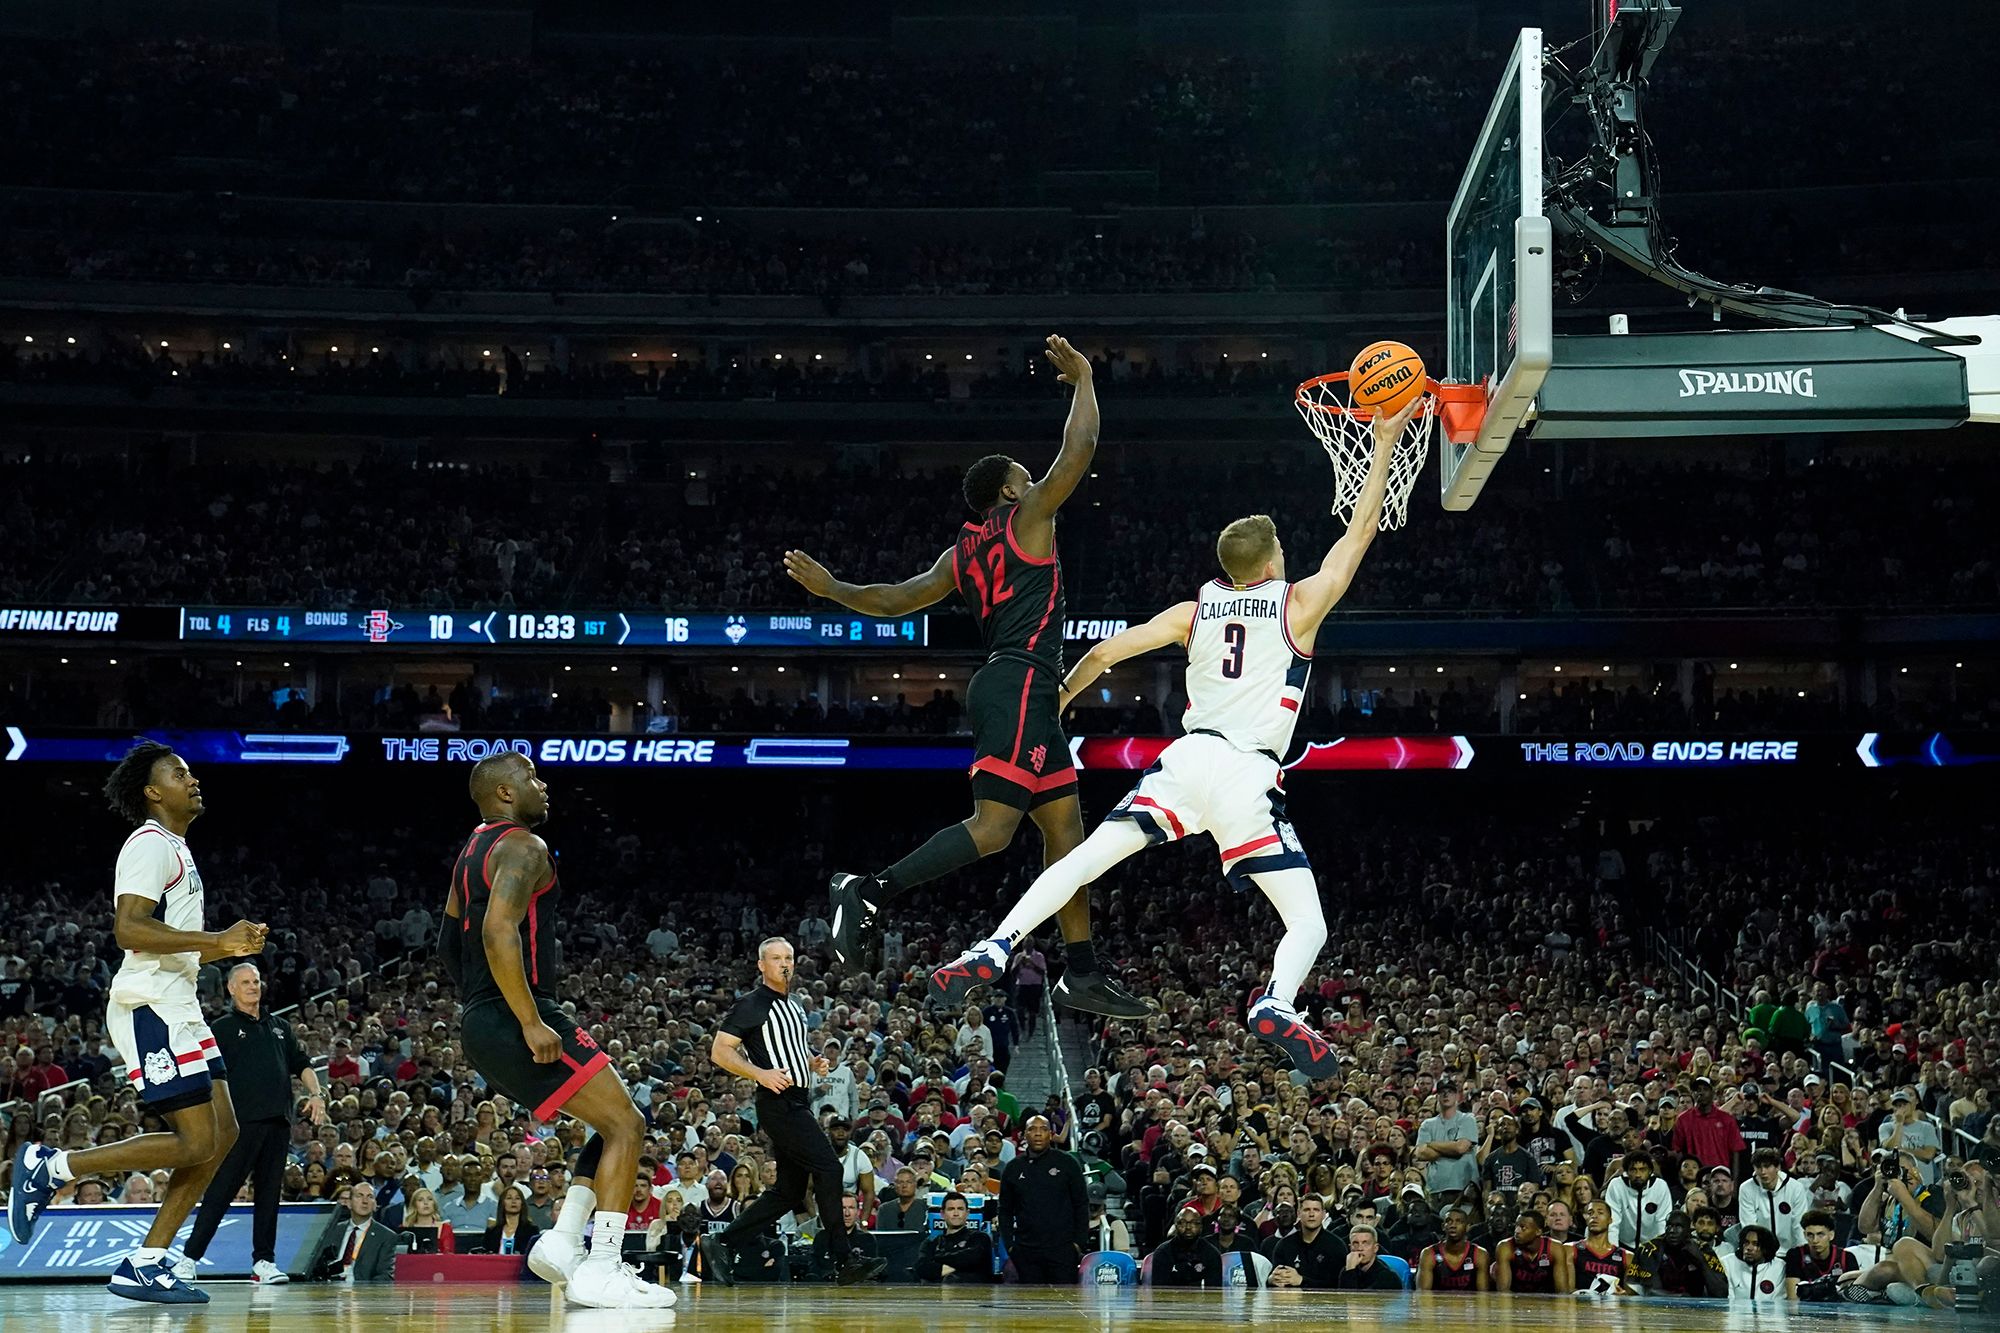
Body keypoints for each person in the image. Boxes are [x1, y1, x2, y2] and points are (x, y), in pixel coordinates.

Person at [928, 395, 1419, 1076]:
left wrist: (1060, 702)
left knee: (1081, 860)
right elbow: (1361, 529)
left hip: (1184, 762)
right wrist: (1388, 440)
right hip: (1248, 775)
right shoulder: (1299, 602)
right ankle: (1277, 1000)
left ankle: (993, 945)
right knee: (1308, 922)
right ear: (1272, 561)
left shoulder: (1196, 608)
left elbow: (1104, 654)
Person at [787, 335, 1147, 1020]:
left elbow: (894, 599)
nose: (1032, 480)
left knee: (1066, 831)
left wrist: (835, 587)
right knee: (992, 829)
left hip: (1023, 688)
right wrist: (1084, 381)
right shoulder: (1027, 517)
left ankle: (1083, 969)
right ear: (1011, 490)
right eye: (1024, 474)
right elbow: (1081, 450)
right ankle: (867, 888)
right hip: (1018, 683)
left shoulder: (962, 553)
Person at [9, 742, 266, 1306]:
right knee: (195, 1138)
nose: (192, 778)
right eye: (179, 773)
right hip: (149, 1002)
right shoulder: (149, 844)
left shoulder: (177, 848)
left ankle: (146, 1263)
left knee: (223, 1136)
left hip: (180, 1003)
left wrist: (220, 947)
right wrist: (215, 941)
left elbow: (174, 941)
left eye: (191, 771)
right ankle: (53, 1166)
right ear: (153, 792)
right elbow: (129, 929)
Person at [438, 752, 672, 1309]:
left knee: (612, 1123)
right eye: (531, 778)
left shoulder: (469, 853)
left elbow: (449, 946)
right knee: (627, 1124)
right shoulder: (524, 845)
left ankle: (564, 1242)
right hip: (514, 1014)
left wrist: (481, 1006)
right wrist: (527, 1018)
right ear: (503, 793)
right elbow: (499, 933)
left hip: (480, 1018)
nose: (543, 787)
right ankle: (603, 1267)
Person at [700, 938, 888, 1288]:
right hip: (778, 1102)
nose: (784, 964)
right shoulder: (752, 1004)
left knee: (788, 1191)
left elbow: (793, 1047)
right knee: (829, 1167)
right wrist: (760, 1073)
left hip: (798, 1099)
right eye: (775, 958)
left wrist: (811, 1059)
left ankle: (723, 1241)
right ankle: (844, 1258)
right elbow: (720, 1052)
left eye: (788, 957)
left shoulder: (795, 1004)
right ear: (761, 965)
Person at [181, 960, 325, 1285]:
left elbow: (301, 1063)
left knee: (269, 1194)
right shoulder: (222, 1028)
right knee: (221, 1191)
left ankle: (264, 1262)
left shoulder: (280, 1027)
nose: (252, 986)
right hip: (239, 1125)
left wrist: (317, 1094)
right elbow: (207, 1076)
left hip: (278, 1123)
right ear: (231, 988)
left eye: (256, 981)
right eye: (245, 982)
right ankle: (188, 1259)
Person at [997, 1114, 1090, 1283]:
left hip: (1063, 1250)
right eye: (1032, 1129)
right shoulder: (1013, 1168)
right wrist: (1011, 1245)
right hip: (1026, 1251)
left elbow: (1081, 1204)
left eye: (1043, 1129)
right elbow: (1005, 1210)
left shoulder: (1067, 1163)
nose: (1038, 1133)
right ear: (1024, 1135)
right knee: (1031, 1304)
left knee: (1064, 1304)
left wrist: (1078, 1244)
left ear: (1051, 1134)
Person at [308, 1180, 398, 1283]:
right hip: (329, 1291)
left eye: (370, 1197)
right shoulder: (332, 1230)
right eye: (359, 1196)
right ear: (349, 1203)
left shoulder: (386, 1236)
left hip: (363, 1294)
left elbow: (385, 1277)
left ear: (375, 1205)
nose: (365, 1201)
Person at [1737, 1146, 1813, 1253]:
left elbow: (1799, 1225)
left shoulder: (1795, 1187)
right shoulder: (1746, 1188)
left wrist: (1803, 1254)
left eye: (1767, 1166)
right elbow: (1749, 1226)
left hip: (1790, 1251)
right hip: (1760, 1253)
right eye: (1758, 1167)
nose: (1763, 1171)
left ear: (1777, 1167)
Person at [1635, 1210, 1724, 1298]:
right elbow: (1650, 1291)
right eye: (1669, 1226)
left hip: (1697, 1308)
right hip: (1659, 1308)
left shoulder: (1703, 1249)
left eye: (1678, 1226)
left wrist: (1701, 1261)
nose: (1672, 1230)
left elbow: (1721, 1293)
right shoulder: (1651, 1249)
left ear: (1688, 1230)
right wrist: (1681, 1298)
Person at [1415, 1082, 1482, 1199]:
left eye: (1450, 1092)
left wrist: (1431, 1144)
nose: (1446, 1095)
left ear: (1456, 1096)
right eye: (1442, 1092)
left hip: (1465, 1188)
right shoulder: (1427, 1124)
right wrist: (1452, 1148)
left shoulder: (1467, 1119)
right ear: (1437, 1097)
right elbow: (1421, 1153)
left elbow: (1460, 1148)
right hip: (1436, 1188)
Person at [1265, 1193, 1344, 1288]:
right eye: (1307, 1210)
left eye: (1316, 1210)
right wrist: (1271, 1280)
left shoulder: (1336, 1246)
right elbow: (1275, 1278)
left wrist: (1301, 1280)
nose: (1311, 1214)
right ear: (1298, 1214)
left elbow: (1337, 1286)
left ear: (1323, 1215)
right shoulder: (1284, 1245)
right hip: (1290, 1301)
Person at [1669, 1077, 1746, 1173]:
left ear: (1712, 1093)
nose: (1700, 1093)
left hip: (1720, 1175)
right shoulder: (1683, 1119)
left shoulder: (1727, 1119)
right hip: (1694, 1176)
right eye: (1697, 1090)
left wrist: (1734, 1183)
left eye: (1705, 1089)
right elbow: (1678, 1150)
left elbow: (1735, 1151)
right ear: (1693, 1094)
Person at [915, 1192, 995, 1283]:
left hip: (974, 1293)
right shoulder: (931, 1242)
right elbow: (921, 1268)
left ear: (967, 1213)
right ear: (942, 1214)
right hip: (937, 1294)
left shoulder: (980, 1238)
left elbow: (970, 1259)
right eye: (951, 1209)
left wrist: (936, 1258)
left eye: (960, 1209)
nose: (956, 1213)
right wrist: (960, 1267)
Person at [1602, 1147, 1672, 1248]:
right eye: (1633, 1170)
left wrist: (1659, 1251)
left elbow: (1662, 1222)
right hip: (1623, 1244)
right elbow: (1612, 1222)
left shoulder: (1660, 1186)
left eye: (1642, 1170)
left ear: (1650, 1171)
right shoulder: (1616, 1185)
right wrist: (1614, 1251)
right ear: (1626, 1172)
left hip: (1651, 1245)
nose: (1638, 1175)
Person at [1495, 1208, 1571, 1293]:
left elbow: (1562, 1292)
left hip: (1547, 1301)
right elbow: (1503, 1292)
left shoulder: (1555, 1248)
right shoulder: (1505, 1247)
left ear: (1538, 1232)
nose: (1516, 1231)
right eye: (1516, 1226)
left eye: (1523, 1227)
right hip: (1516, 1301)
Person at [1570, 1200, 1638, 1294]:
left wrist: (1622, 1295)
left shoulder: (1627, 1257)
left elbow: (1630, 1297)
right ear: (1586, 1219)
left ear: (1610, 1220)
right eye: (1590, 1213)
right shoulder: (1571, 1250)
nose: (1594, 1216)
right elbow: (1566, 1292)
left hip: (1612, 1307)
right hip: (1582, 1306)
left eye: (1600, 1212)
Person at [1416, 1205, 1489, 1292]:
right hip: (1438, 1304)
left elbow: (1483, 1296)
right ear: (1443, 1226)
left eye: (1459, 1221)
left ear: (1467, 1227)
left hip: (1469, 1304)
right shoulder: (1428, 1254)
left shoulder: (1480, 1254)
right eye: (1449, 1221)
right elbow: (1423, 1295)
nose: (1453, 1225)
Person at [1784, 1209, 1853, 1299]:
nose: (1815, 1240)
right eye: (1810, 1235)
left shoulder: (1847, 1258)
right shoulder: (1795, 1255)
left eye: (1820, 1235)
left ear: (1831, 1235)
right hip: (1805, 1310)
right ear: (1804, 1235)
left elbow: (1852, 1297)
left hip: (1837, 1309)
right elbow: (1793, 1298)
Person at [1714, 1223, 1786, 1306]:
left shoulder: (1779, 1267)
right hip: (1734, 1317)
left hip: (1768, 1317)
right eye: (1746, 1242)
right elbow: (1728, 1300)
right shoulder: (1727, 1263)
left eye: (1756, 1244)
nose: (1749, 1248)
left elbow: (1779, 1302)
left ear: (1765, 1248)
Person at [1151, 1205, 1223, 1286]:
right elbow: (1159, 1291)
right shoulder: (1163, 1253)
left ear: (1201, 1227)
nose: (1188, 1227)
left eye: (1194, 1223)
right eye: (1182, 1223)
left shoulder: (1211, 1254)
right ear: (1175, 1226)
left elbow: (1214, 1292)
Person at [811, 1193, 878, 1280]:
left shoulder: (867, 1239)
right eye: (843, 1208)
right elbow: (814, 1268)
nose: (847, 1213)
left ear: (857, 1212)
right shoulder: (822, 1238)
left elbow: (872, 1272)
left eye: (851, 1208)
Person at [1334, 1222, 1406, 1290]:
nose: (1360, 1248)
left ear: (1375, 1248)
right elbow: (1342, 1300)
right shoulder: (1347, 1269)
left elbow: (1356, 1300)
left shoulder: (1388, 1277)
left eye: (1365, 1243)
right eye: (1356, 1243)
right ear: (1350, 1247)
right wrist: (1349, 1270)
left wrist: (1349, 1272)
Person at [481, 1183, 541, 1256]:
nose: (513, 1201)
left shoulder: (532, 1231)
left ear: (522, 1204)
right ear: (502, 1203)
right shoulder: (491, 1232)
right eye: (509, 1198)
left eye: (517, 1198)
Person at [403, 1187, 455, 1253]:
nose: (426, 1202)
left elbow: (449, 1257)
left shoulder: (445, 1228)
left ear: (434, 1204)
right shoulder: (405, 1229)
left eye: (430, 1199)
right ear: (414, 1205)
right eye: (420, 1200)